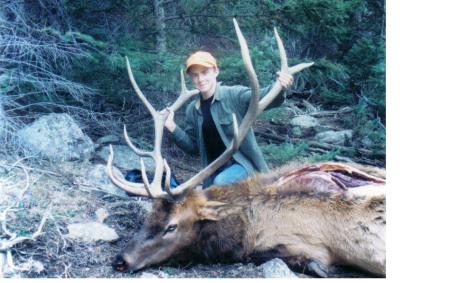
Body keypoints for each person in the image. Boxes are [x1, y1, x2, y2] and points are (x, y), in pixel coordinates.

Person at [164, 51, 293, 188]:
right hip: (214, 170)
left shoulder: (233, 95)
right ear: (191, 78)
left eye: (205, 72)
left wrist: (279, 87)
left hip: (243, 166)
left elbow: (262, 96)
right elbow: (194, 147)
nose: (200, 79)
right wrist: (173, 128)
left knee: (219, 184)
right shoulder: (192, 110)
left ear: (216, 71)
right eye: (195, 75)